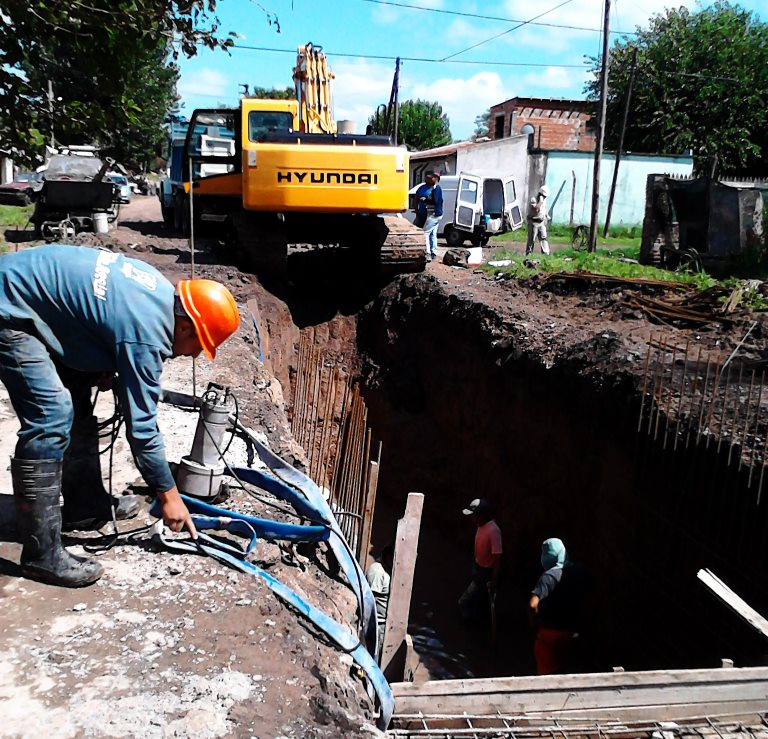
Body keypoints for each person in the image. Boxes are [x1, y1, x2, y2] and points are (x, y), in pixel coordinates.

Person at [0, 244, 240, 588]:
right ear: (185, 327)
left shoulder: (158, 292)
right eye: (200, 345)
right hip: (8, 309)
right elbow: (141, 428)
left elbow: (94, 316)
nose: (196, 354)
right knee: (51, 414)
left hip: (21, 290)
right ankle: (42, 553)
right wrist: (169, 496)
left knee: (77, 392)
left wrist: (100, 359)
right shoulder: (146, 333)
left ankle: (84, 507)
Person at [528, 537, 592, 675]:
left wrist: (534, 622)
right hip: (571, 633)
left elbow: (533, 604)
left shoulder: (549, 577)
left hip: (549, 633)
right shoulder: (580, 571)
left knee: (547, 675)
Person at [458, 498, 502, 623]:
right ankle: (479, 618)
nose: (472, 519)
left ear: (482, 515)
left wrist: (494, 580)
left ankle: (469, 623)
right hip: (478, 566)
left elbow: (498, 557)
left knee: (464, 601)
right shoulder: (480, 525)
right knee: (480, 598)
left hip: (486, 572)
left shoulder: (493, 531)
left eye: (474, 515)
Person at [366, 543, 394, 655]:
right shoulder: (378, 572)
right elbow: (370, 599)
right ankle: (362, 672)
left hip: (384, 624)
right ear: (388, 557)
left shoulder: (388, 570)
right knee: (372, 654)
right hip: (377, 625)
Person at [415, 171, 444, 261]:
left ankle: (428, 253)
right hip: (427, 214)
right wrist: (417, 210)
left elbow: (436, 201)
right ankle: (433, 252)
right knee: (432, 234)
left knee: (425, 233)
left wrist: (425, 200)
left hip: (433, 215)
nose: (429, 179)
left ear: (435, 179)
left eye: (431, 178)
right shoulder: (424, 188)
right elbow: (416, 199)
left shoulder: (436, 188)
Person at [526, 184, 551, 256]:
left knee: (543, 237)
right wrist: (540, 202)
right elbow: (536, 209)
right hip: (534, 222)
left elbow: (544, 209)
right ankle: (529, 253)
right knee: (532, 239)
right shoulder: (533, 199)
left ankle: (546, 253)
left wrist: (546, 215)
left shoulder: (544, 201)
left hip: (541, 222)